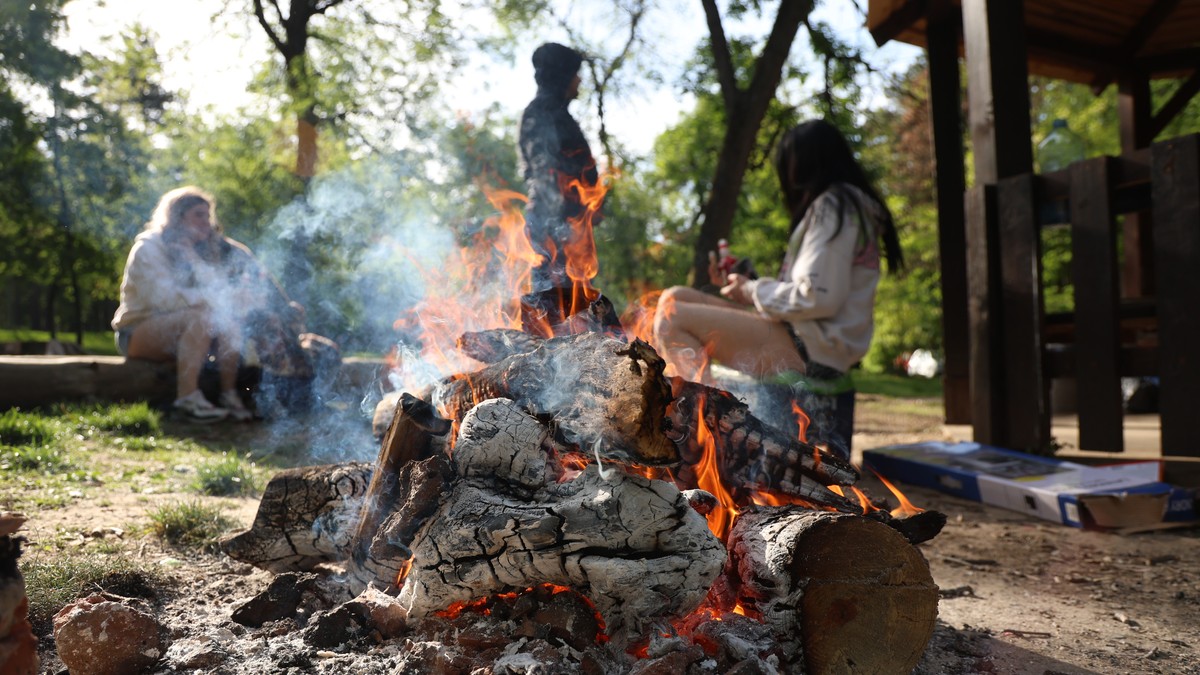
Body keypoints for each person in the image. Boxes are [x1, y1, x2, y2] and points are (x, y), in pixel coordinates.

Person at [652, 120, 902, 459]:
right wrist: (745, 283)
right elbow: (815, 289)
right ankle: (708, 416)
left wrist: (752, 290)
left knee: (672, 317)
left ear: (803, 164)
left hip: (811, 350)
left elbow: (817, 297)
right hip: (807, 338)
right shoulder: (846, 206)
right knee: (675, 296)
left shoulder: (835, 206)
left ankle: (709, 434)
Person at [111, 186, 310, 421]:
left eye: (208, 215)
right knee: (205, 315)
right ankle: (187, 399)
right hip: (137, 333)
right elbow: (164, 299)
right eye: (198, 215)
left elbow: (217, 290)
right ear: (177, 216)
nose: (206, 222)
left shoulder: (199, 250)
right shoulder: (149, 248)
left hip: (186, 333)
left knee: (225, 320)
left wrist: (195, 262)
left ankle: (229, 395)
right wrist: (215, 300)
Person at [518, 42, 599, 292]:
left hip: (566, 225)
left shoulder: (557, 114)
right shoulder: (541, 113)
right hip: (554, 227)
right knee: (556, 304)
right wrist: (565, 226)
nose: (579, 80)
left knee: (578, 302)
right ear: (563, 76)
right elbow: (546, 174)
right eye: (575, 74)